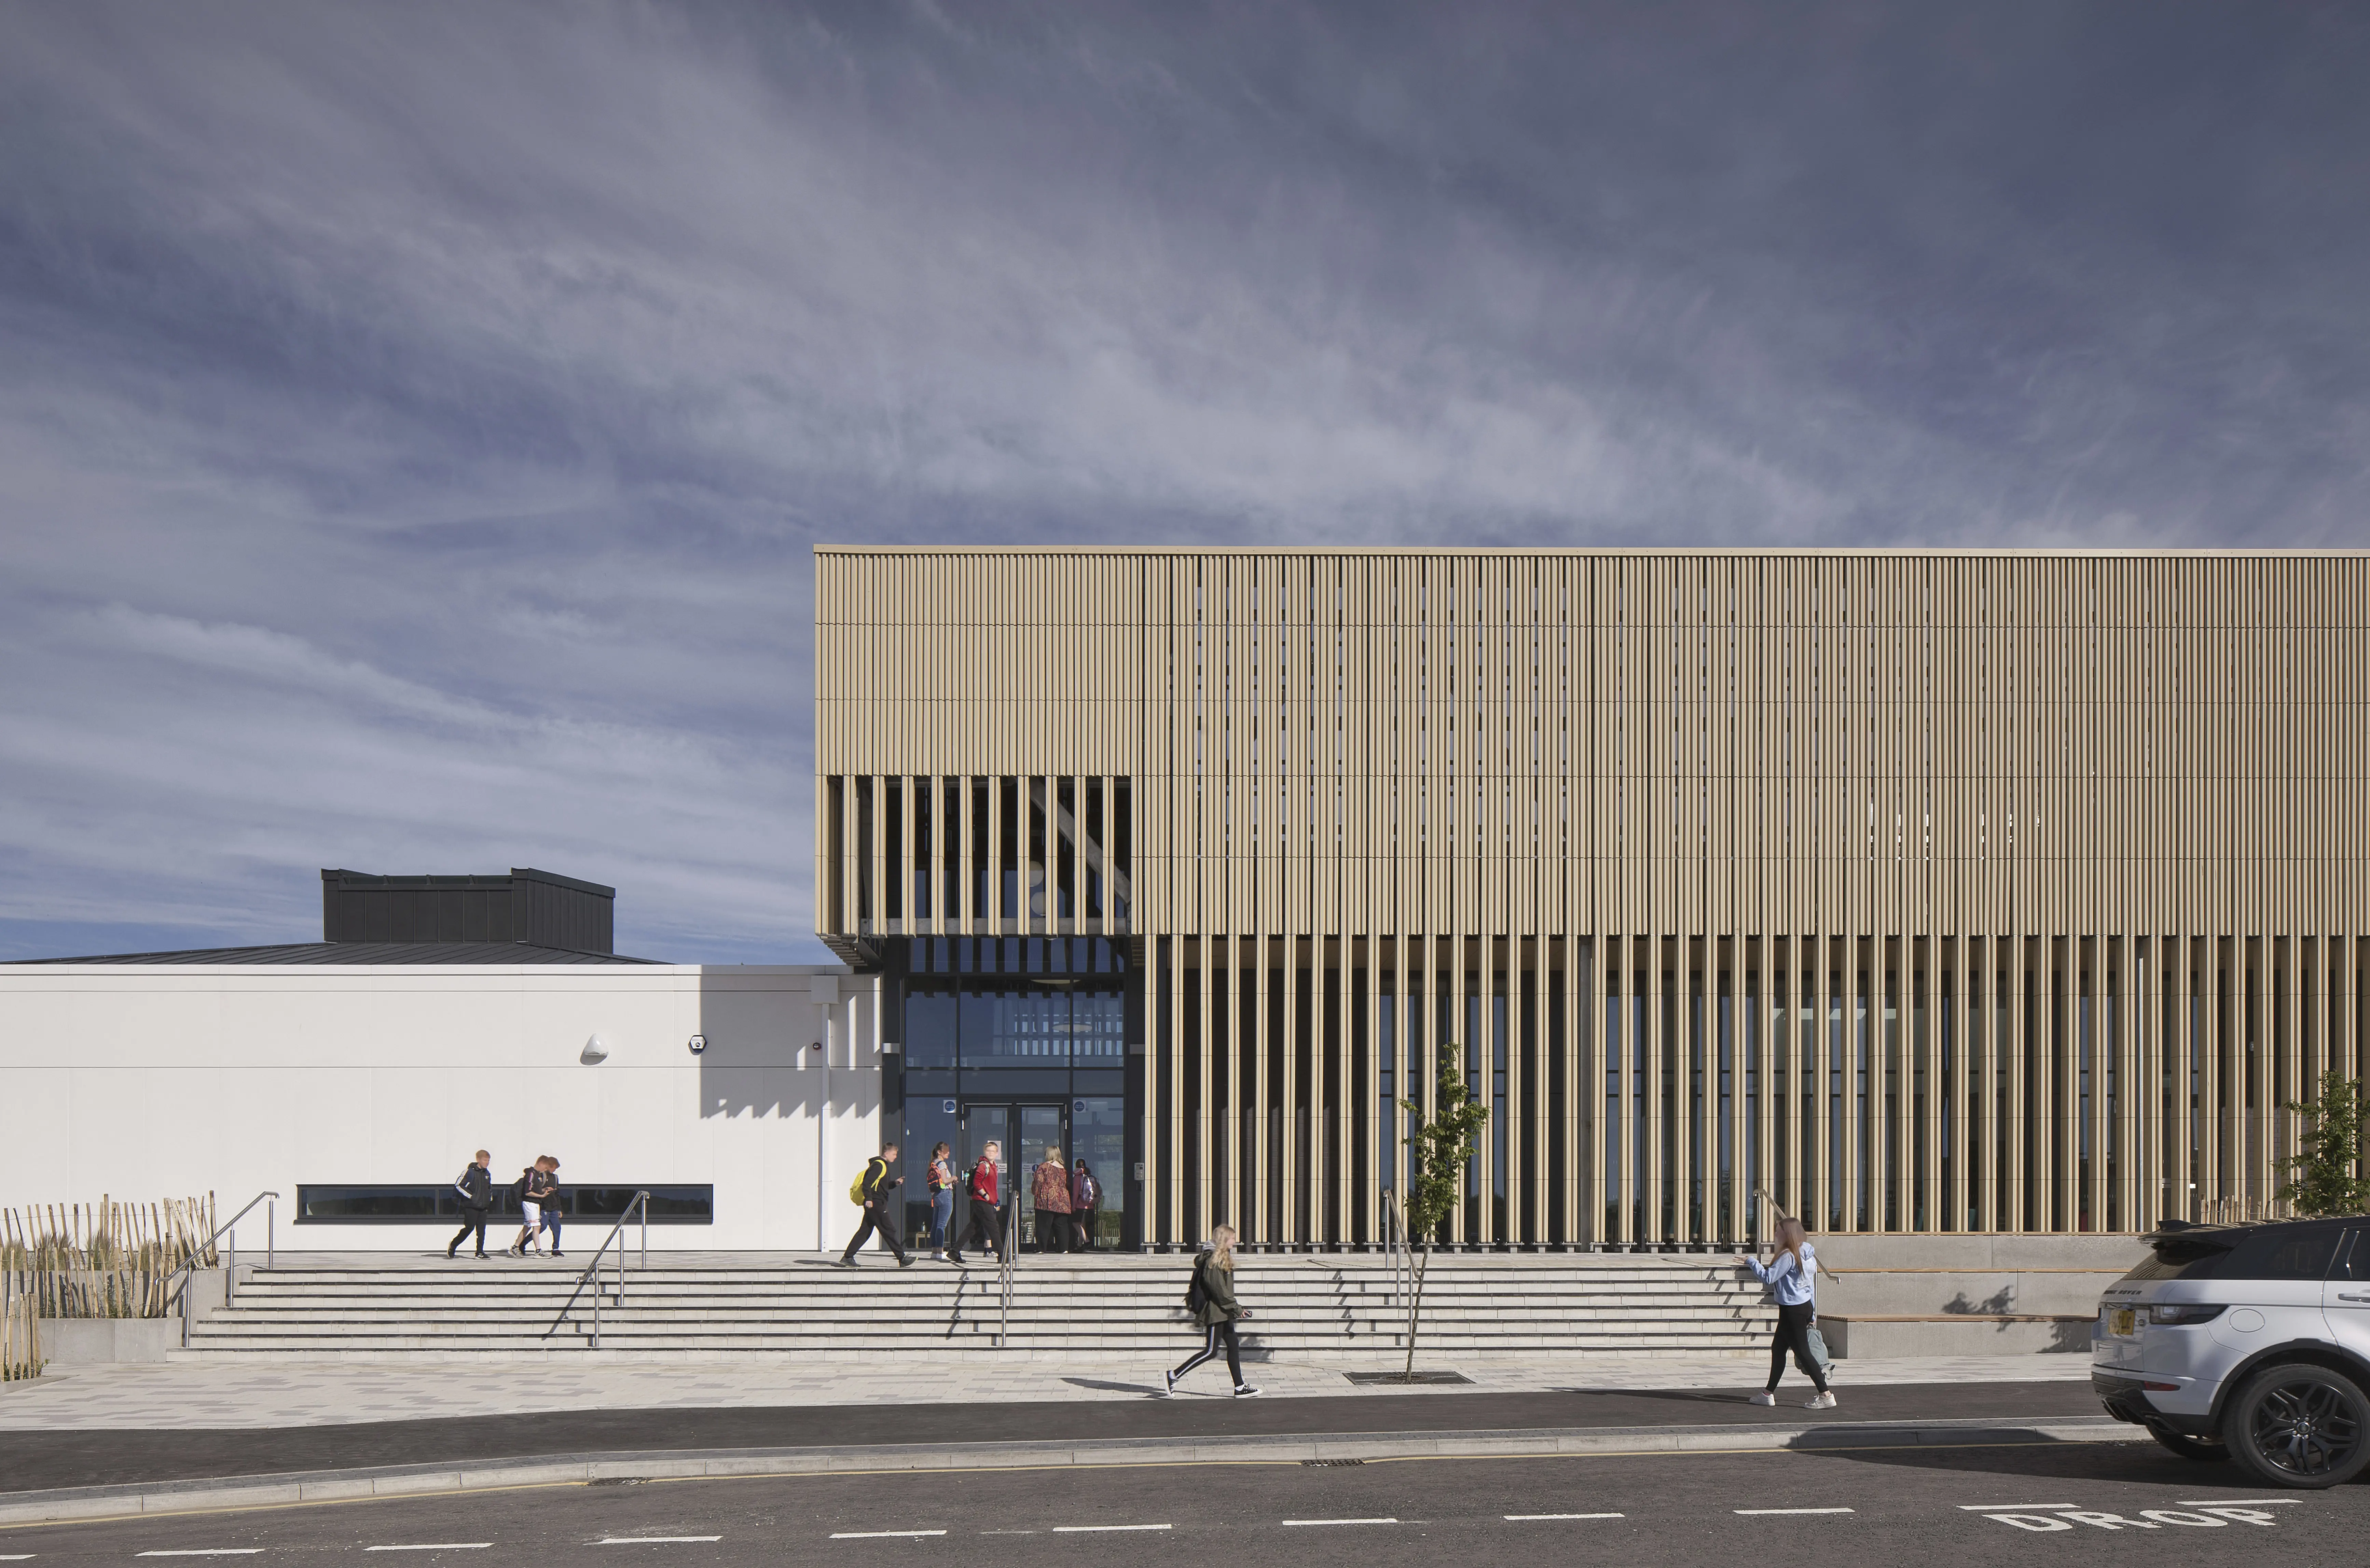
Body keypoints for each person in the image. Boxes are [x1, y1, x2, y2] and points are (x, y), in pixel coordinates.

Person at [1734, 1215, 1835, 1408]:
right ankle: (1767, 1393)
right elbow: (1809, 1286)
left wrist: (1751, 1261)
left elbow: (1768, 1278)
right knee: (1778, 1349)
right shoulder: (1808, 1254)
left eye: (1778, 1231)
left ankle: (1825, 1394)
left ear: (1787, 1234)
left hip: (1792, 1310)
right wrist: (1812, 1312)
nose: (1776, 1234)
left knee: (1804, 1353)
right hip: (1803, 1306)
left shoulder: (1789, 1256)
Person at [1164, 1224, 1258, 1397]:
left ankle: (1240, 1387)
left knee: (1233, 1345)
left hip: (1224, 1311)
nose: (1235, 1242)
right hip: (1215, 1312)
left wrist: (1235, 1309)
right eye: (1232, 1238)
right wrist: (1237, 1308)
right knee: (1211, 1352)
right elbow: (1219, 1291)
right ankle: (1173, 1375)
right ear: (1224, 1240)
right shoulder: (1213, 1261)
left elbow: (1224, 1292)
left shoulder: (1222, 1258)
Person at [839, 1142, 914, 1267]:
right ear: (886, 1153)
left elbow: (881, 1187)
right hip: (876, 1203)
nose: (896, 1157)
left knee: (865, 1232)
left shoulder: (883, 1166)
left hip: (876, 1202)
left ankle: (848, 1257)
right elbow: (867, 1183)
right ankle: (902, 1258)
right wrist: (869, 1199)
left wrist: (895, 1183)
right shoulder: (879, 1165)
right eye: (894, 1154)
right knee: (889, 1229)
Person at [946, 1141, 1002, 1267]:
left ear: (997, 1153)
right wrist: (986, 1196)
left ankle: (955, 1251)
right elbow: (977, 1183)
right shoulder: (984, 1166)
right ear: (985, 1152)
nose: (991, 1153)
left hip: (987, 1201)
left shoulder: (993, 1166)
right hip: (982, 1201)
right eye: (988, 1151)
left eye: (993, 1151)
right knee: (994, 1227)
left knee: (973, 1228)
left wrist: (994, 1199)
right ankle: (1002, 1254)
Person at [447, 1150, 493, 1259]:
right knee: (469, 1228)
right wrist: (472, 1197)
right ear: (478, 1160)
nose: (487, 1163)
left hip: (483, 1206)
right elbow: (459, 1186)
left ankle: (480, 1252)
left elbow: (489, 1188)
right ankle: (454, 1244)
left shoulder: (487, 1174)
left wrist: (489, 1199)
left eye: (489, 1161)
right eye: (485, 1160)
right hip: (471, 1206)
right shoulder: (470, 1172)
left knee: (482, 1230)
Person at [1030, 1146, 1072, 1253]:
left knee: (1043, 1225)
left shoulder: (1043, 1167)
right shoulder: (1063, 1169)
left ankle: (1041, 1249)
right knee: (1061, 1225)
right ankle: (1064, 1249)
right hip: (1062, 1199)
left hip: (1047, 1199)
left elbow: (1039, 1182)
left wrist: (1034, 1192)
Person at [508, 1158, 554, 1256]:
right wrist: (542, 1196)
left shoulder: (538, 1175)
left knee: (527, 1227)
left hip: (535, 1204)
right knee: (537, 1226)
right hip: (530, 1203)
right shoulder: (531, 1174)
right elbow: (528, 1192)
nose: (545, 1170)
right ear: (541, 1164)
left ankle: (515, 1247)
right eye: (545, 1167)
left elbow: (536, 1190)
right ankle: (538, 1251)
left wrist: (544, 1190)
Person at [925, 1142, 956, 1262]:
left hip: (937, 1195)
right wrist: (954, 1178)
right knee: (941, 1226)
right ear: (939, 1152)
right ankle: (941, 1251)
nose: (948, 1153)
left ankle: (935, 1252)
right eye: (946, 1151)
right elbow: (945, 1180)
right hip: (945, 1195)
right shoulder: (942, 1164)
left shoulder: (933, 1163)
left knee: (935, 1225)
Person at [536, 1156, 565, 1258]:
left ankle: (556, 1249)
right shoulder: (542, 1176)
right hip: (544, 1206)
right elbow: (537, 1190)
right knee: (542, 1227)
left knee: (557, 1227)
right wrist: (545, 1190)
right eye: (554, 1168)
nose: (554, 1170)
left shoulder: (556, 1178)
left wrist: (559, 1209)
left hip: (553, 1207)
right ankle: (523, 1243)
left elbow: (557, 1194)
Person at [1070, 1158, 1100, 1252]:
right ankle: (1079, 1246)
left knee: (1076, 1224)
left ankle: (1087, 1242)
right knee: (1082, 1226)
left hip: (1080, 1206)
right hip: (1090, 1205)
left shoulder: (1078, 1178)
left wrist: (1073, 1206)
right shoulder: (1089, 1176)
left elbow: (1075, 1194)